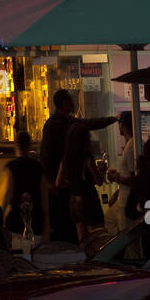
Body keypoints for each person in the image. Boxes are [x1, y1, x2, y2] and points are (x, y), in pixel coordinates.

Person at [40, 91, 117, 242]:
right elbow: (98, 180)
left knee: (75, 231)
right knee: (97, 234)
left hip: (70, 191)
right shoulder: (70, 129)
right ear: (63, 103)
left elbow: (45, 156)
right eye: (70, 101)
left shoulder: (59, 127)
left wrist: (53, 181)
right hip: (82, 193)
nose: (74, 103)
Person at [56, 122, 105, 242]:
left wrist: (73, 184)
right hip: (89, 199)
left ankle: (85, 259)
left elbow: (58, 183)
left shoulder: (66, 158)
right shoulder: (86, 156)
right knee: (98, 238)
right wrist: (101, 172)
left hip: (74, 200)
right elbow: (99, 181)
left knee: (83, 239)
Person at [2, 132, 45, 245]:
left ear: (15, 144)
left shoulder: (12, 167)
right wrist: (47, 223)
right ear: (29, 145)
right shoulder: (38, 167)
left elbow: (8, 194)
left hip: (16, 218)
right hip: (35, 217)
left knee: (18, 252)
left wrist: (1, 213)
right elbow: (44, 196)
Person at [106, 111, 136, 234]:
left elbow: (134, 179)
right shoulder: (131, 145)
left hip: (127, 201)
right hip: (123, 198)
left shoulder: (130, 148)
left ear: (122, 125)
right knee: (109, 219)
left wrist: (116, 177)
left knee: (126, 236)